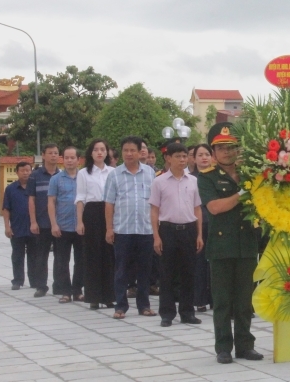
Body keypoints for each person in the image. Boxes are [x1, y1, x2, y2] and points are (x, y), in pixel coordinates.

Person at [197, 123, 263, 364]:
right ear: (213, 152)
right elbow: (215, 207)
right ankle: (223, 347)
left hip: (246, 243)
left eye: (232, 147)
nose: (227, 152)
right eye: (221, 148)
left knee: (245, 300)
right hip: (221, 247)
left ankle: (245, 345)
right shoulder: (207, 178)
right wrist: (243, 194)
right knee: (223, 301)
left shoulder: (250, 174)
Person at [149, 141, 204, 327]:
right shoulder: (159, 181)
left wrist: (199, 235)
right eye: (178, 156)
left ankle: (187, 312)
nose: (182, 160)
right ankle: (167, 313)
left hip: (188, 230)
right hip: (167, 230)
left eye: (185, 156)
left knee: (189, 272)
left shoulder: (194, 181)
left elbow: (197, 209)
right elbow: (154, 210)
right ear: (168, 158)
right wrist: (156, 236)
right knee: (167, 273)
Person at [104, 136, 157, 319]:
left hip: (146, 229)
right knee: (121, 270)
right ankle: (120, 306)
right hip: (123, 229)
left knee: (145, 270)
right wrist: (109, 228)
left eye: (132, 150)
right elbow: (109, 203)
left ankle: (144, 305)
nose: (128, 153)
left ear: (139, 151)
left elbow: (156, 203)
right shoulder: (114, 175)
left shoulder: (150, 173)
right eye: (125, 150)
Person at [76, 139, 115, 309]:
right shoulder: (83, 173)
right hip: (91, 214)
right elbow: (80, 198)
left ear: (107, 153)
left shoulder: (113, 172)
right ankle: (93, 296)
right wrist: (79, 221)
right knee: (92, 255)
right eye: (96, 149)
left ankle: (109, 296)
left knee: (109, 255)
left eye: (103, 149)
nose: (99, 152)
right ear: (90, 153)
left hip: (109, 211)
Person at [48, 147, 83, 304]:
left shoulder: (84, 177)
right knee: (62, 261)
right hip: (62, 226)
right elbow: (51, 202)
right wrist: (53, 224)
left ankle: (77, 290)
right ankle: (65, 292)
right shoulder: (56, 179)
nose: (69, 160)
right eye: (67, 158)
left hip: (81, 227)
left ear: (78, 159)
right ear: (63, 159)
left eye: (72, 157)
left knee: (81, 260)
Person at [28, 143, 61, 298]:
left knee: (61, 256)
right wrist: (33, 221)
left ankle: (59, 285)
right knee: (41, 255)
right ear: (44, 155)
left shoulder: (62, 175)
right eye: (50, 153)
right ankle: (41, 286)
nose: (53, 155)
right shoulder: (35, 175)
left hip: (60, 223)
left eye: (56, 153)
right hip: (42, 223)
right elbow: (31, 200)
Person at [3, 161, 34, 290]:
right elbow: (6, 208)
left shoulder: (34, 187)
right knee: (17, 256)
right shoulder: (10, 189)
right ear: (17, 172)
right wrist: (7, 227)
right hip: (17, 228)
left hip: (34, 228)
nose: (26, 173)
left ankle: (35, 281)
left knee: (34, 256)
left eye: (28, 170)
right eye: (22, 170)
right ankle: (17, 280)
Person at [190, 144, 214, 312]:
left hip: (214, 223)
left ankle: (215, 298)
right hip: (196, 224)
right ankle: (199, 299)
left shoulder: (217, 177)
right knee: (198, 263)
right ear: (194, 158)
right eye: (200, 154)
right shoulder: (190, 178)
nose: (204, 157)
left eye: (207, 154)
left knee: (214, 263)